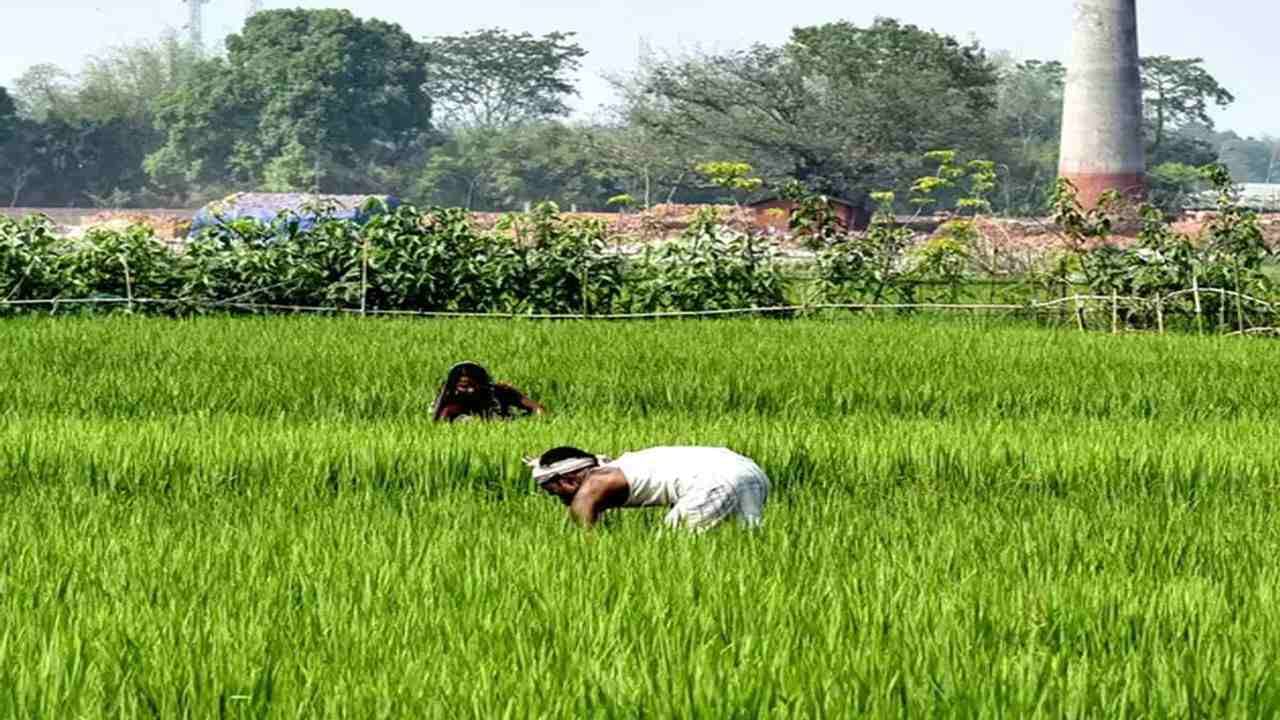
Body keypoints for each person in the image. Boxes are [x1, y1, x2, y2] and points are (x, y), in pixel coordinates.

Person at [525, 445, 769, 531]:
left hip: (714, 480)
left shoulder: (596, 481)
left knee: (672, 550)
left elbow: (584, 535)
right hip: (750, 472)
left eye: (552, 491)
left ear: (567, 479)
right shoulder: (621, 466)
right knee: (741, 542)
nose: (558, 499)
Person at [431, 361, 545, 423]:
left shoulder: (500, 392)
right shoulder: (450, 406)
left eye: (474, 385)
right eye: (464, 386)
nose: (470, 390)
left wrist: (536, 421)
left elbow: (537, 408)